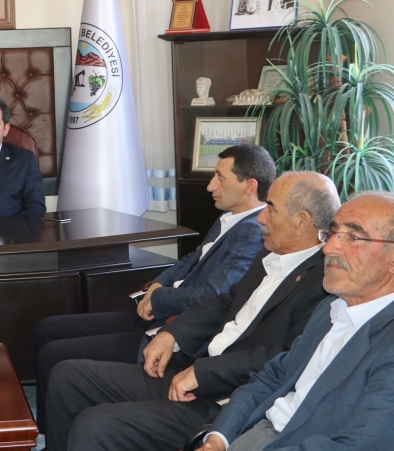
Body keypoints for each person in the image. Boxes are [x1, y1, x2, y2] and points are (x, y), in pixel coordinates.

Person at [45, 171, 341, 451]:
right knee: (67, 376)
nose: (261, 217)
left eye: (271, 209)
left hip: (228, 400)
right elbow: (224, 302)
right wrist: (172, 334)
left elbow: (284, 356)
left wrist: (203, 372)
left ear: (302, 222)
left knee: (95, 425)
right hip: (194, 369)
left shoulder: (324, 283)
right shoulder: (271, 254)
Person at [33, 144, 275, 433]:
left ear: (249, 186)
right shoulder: (231, 217)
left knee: (55, 356)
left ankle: (47, 434)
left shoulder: (250, 231)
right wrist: (158, 284)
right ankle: (43, 429)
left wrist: (158, 299)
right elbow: (191, 259)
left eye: (220, 177)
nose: (210, 185)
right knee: (48, 328)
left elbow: (212, 295)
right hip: (159, 314)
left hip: (172, 328)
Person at [197, 191, 394, 451]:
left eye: (353, 237)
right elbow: (273, 377)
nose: (328, 248)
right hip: (252, 433)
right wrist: (217, 439)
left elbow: (359, 445)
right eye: (333, 233)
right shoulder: (331, 308)